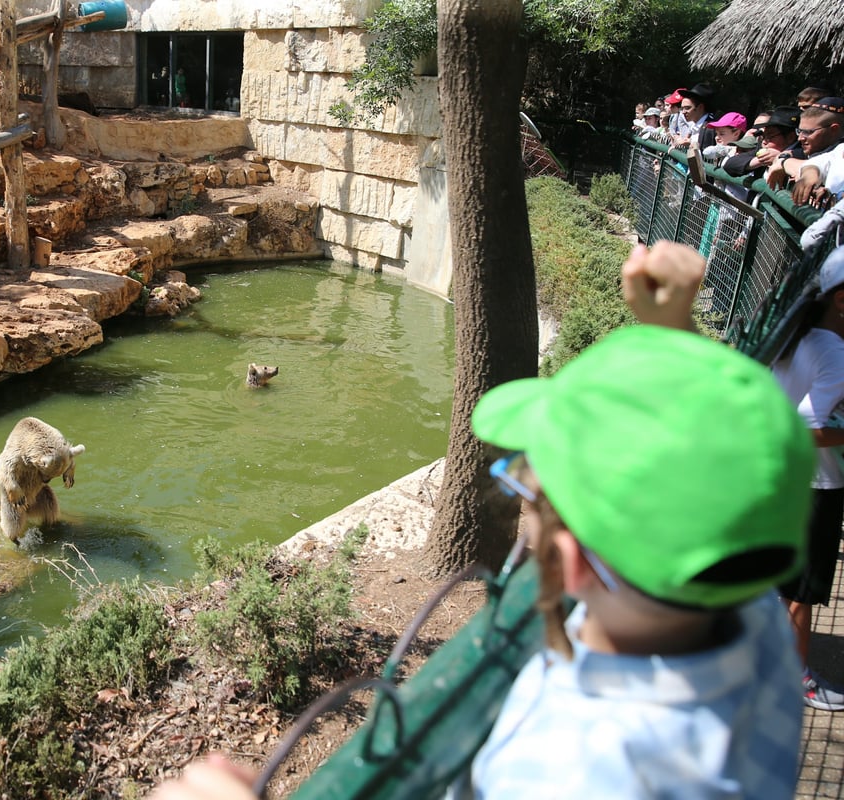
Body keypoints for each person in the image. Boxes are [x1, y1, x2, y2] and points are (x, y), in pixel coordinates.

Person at [148, 242, 813, 800]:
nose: (518, 484)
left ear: (573, 561)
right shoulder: (748, 613)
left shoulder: (576, 774)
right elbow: (702, 484)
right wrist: (672, 338)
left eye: (524, 480)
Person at [773, 244, 844, 710]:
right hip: (816, 486)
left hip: (781, 479)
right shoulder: (835, 350)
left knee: (779, 583)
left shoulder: (800, 334)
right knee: (801, 593)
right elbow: (808, 425)